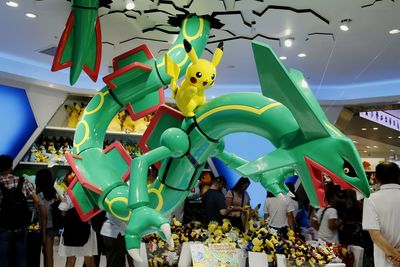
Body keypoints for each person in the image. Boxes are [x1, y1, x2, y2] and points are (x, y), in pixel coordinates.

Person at [0, 154, 38, 267]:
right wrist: (32, 213)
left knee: (3, 260)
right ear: (11, 167)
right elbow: (36, 199)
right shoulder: (22, 181)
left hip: (3, 226)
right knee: (21, 259)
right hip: (21, 225)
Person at [362, 162, 400, 267]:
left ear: (377, 178)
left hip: (384, 262)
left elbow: (375, 235)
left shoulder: (371, 199)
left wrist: (394, 255)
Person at [58, 171, 97, 267]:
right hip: (86, 226)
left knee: (71, 259)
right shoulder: (90, 190)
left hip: (71, 228)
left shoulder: (68, 192)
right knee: (89, 258)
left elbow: (63, 211)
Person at [35, 169, 61, 267]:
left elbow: (44, 215)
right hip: (54, 225)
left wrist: (43, 233)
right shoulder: (54, 192)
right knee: (47, 253)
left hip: (46, 227)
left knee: (47, 254)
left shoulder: (40, 195)